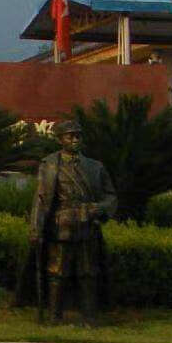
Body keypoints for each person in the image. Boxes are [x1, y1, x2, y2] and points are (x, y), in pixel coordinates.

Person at [22, 120, 116, 326]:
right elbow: (40, 199)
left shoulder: (95, 167)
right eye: (69, 136)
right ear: (60, 140)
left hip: (87, 227)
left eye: (78, 135)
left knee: (88, 272)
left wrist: (97, 209)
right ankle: (54, 317)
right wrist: (35, 228)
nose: (75, 139)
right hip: (61, 227)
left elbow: (111, 197)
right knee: (57, 272)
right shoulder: (49, 165)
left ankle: (89, 317)